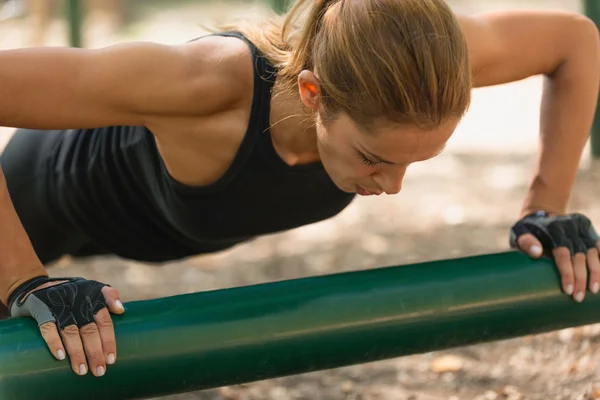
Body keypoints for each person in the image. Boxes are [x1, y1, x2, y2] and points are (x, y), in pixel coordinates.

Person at [0, 0, 598, 379]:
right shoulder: (202, 85)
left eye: (415, 164)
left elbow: (575, 41)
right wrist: (24, 277)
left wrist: (547, 206)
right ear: (311, 93)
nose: (391, 187)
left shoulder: (429, 66)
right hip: (32, 204)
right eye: (373, 159)